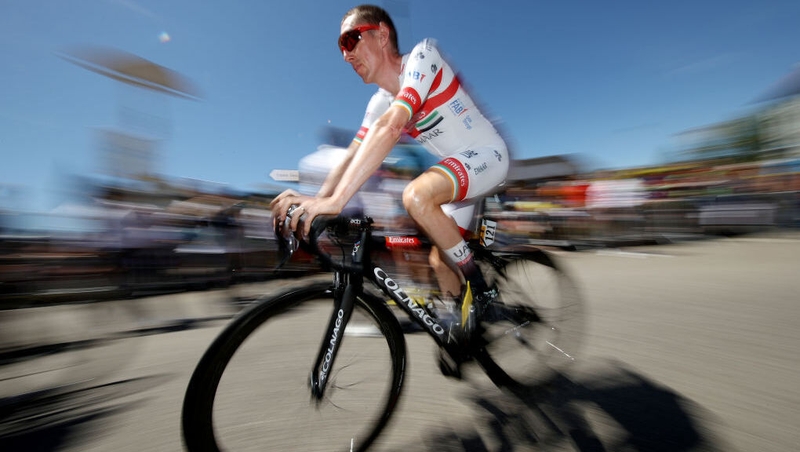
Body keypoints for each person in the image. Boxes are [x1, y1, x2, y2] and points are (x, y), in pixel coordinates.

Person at [270, 4, 509, 366]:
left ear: (381, 35)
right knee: (438, 258)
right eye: (340, 47)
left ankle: (483, 288)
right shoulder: (378, 102)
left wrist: (335, 202)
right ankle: (466, 331)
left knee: (416, 195)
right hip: (459, 172)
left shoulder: (422, 57)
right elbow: (352, 156)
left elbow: (391, 127)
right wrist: (317, 199)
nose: (346, 53)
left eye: (351, 39)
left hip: (487, 155)